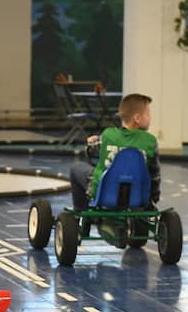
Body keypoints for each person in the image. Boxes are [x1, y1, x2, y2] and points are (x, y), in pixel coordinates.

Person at [69, 94, 161, 247]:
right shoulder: (151, 142)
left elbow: (91, 151)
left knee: (76, 169)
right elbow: (155, 176)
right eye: (148, 115)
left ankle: (81, 217)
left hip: (104, 194)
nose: (150, 118)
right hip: (137, 197)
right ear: (137, 118)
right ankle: (119, 226)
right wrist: (152, 200)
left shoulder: (108, 135)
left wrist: (92, 143)